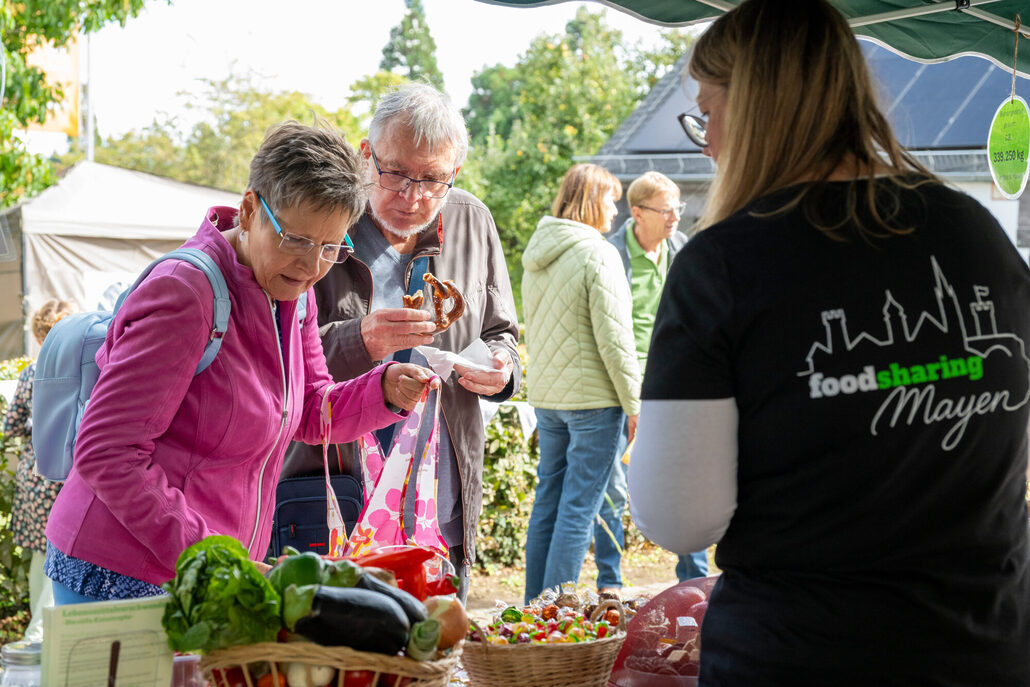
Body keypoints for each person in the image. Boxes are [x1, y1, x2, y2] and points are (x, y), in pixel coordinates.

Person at [630, 1, 1030, 684]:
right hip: (987, 645)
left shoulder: (724, 264)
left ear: (755, 107)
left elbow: (678, 516)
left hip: (804, 651)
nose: (708, 140)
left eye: (709, 110)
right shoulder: (974, 230)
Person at [44, 121, 436, 604]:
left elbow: (311, 408)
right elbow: (108, 452)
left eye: (332, 248)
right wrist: (216, 556)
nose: (313, 266)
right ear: (250, 209)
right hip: (122, 572)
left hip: (205, 569)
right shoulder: (185, 293)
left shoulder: (294, 296)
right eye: (296, 239)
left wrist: (385, 390)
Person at [281, 83, 521, 604]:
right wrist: (359, 340)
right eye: (396, 174)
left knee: (434, 651)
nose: (414, 197)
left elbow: (502, 332)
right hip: (337, 494)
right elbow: (275, 356)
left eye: (434, 179)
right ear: (366, 155)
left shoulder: (471, 220)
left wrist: (503, 369)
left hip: (440, 492)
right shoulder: (321, 220)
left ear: (454, 172)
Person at [521, 163, 641, 603]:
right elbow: (616, 340)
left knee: (547, 504)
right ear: (592, 201)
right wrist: (635, 404)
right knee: (577, 510)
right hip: (594, 402)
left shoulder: (537, 255)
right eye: (611, 199)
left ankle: (535, 608)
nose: (616, 210)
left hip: (549, 401)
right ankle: (555, 611)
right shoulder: (598, 253)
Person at [590, 171, 705, 598]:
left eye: (678, 208)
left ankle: (694, 579)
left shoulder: (682, 250)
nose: (676, 216)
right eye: (666, 209)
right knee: (613, 491)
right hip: (620, 384)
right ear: (636, 213)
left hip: (673, 384)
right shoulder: (609, 254)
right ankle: (610, 583)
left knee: (686, 480)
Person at [4, 300, 76, 638]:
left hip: (35, 473)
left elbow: (13, 424)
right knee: (61, 553)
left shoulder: (32, 371)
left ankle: (37, 637)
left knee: (38, 554)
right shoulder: (81, 366)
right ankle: (42, 637)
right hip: (68, 472)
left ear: (37, 334)